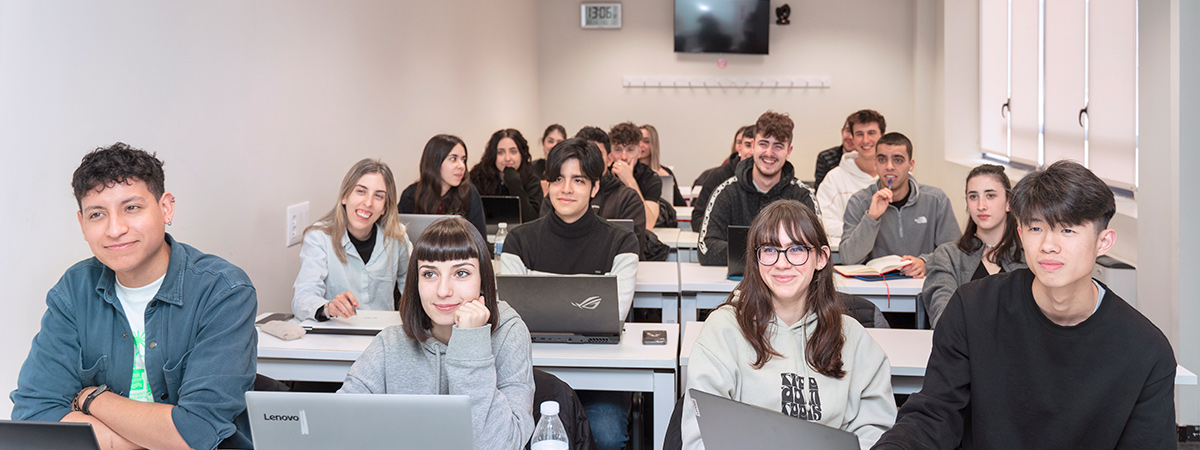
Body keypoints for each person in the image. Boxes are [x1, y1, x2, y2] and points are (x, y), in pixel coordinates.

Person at [874, 160, 1176, 449]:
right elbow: (935, 415)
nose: (1048, 245)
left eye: (1067, 230)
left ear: (1104, 242)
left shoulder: (1145, 349)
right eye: (1035, 228)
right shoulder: (973, 309)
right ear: (1020, 234)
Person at [11, 143, 256, 449]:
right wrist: (154, 440)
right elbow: (34, 415)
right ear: (82, 225)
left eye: (131, 208)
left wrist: (92, 399)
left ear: (166, 208)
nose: (115, 229)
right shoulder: (74, 290)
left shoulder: (223, 291)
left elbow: (198, 431)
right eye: (97, 214)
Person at [683, 200, 896, 450]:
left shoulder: (854, 339)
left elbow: (875, 431)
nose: (782, 263)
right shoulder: (723, 330)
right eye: (770, 250)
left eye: (796, 250)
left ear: (821, 258)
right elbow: (701, 438)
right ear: (756, 259)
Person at [340, 217, 535, 450]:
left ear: (484, 281)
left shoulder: (509, 335)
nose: (443, 291)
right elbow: (339, 425)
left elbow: (499, 445)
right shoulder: (390, 343)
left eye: (461, 273)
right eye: (430, 274)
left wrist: (471, 344)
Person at [500, 138, 639, 450]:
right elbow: (508, 316)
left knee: (606, 433)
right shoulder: (519, 241)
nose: (566, 189)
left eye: (578, 180)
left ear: (594, 187)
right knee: (512, 430)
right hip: (531, 374)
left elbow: (614, 313)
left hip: (600, 374)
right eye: (558, 179)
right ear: (547, 183)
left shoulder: (621, 242)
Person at [292, 159, 412, 322]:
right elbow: (303, 297)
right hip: (338, 335)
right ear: (344, 196)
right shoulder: (319, 238)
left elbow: (414, 290)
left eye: (378, 196)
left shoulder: (397, 238)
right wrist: (328, 307)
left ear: (385, 207)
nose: (368, 203)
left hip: (383, 336)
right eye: (361, 191)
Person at [697, 111, 817, 266]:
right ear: (753, 146)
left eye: (778, 146)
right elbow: (706, 249)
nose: (769, 153)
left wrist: (746, 253)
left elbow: (815, 251)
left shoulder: (802, 196)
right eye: (763, 144)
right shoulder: (726, 192)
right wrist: (767, 254)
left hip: (788, 284)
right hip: (737, 285)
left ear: (789, 151)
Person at [839, 132, 960, 277]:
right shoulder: (859, 201)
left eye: (898, 160)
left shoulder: (936, 199)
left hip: (922, 287)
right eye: (882, 159)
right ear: (875, 164)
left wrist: (926, 262)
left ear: (911, 165)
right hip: (876, 289)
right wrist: (871, 218)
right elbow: (848, 259)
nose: (889, 167)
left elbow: (956, 252)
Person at [921, 164, 1025, 328]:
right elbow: (943, 317)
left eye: (990, 196)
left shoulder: (1028, 256)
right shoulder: (947, 256)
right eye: (973, 196)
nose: (981, 206)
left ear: (1008, 203)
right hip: (965, 350)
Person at [398, 134, 487, 238]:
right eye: (453, 159)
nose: (462, 166)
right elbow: (398, 237)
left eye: (463, 159)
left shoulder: (469, 193)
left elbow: (480, 239)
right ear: (435, 162)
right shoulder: (411, 195)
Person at [817, 110, 883, 248]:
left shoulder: (896, 177)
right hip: (849, 262)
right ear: (852, 138)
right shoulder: (834, 179)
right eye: (859, 134)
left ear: (882, 136)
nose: (865, 140)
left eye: (871, 133)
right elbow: (822, 223)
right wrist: (865, 231)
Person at [469, 128, 544, 221]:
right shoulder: (478, 176)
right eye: (501, 152)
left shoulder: (532, 180)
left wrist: (514, 183)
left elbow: (531, 220)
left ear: (522, 154)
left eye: (513, 152)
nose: (507, 158)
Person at [690, 125, 755, 224]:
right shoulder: (718, 176)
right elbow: (697, 218)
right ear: (739, 148)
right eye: (748, 145)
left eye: (757, 146)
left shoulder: (771, 181)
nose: (751, 152)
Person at [608, 121, 663, 229]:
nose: (623, 157)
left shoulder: (651, 178)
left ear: (639, 152)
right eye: (618, 150)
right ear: (611, 153)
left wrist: (630, 181)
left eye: (630, 150)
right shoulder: (601, 176)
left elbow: (648, 223)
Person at [638, 124, 686, 206]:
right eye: (637, 141)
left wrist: (671, 184)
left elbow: (681, 205)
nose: (640, 145)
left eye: (646, 141)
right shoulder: (627, 172)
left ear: (653, 145)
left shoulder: (665, 172)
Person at [813, 120, 857, 192]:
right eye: (848, 131)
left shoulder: (872, 160)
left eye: (856, 133)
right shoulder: (825, 157)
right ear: (842, 131)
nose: (850, 137)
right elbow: (820, 191)